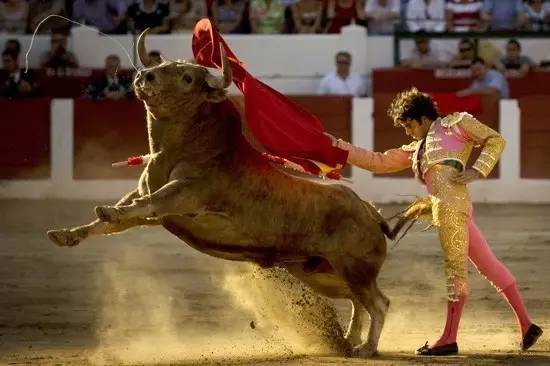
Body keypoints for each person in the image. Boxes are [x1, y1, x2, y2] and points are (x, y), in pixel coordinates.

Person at [325, 87, 543, 356]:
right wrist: (337, 145)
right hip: (448, 208)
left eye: (408, 125)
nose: (407, 132)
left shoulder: (457, 123)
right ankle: (527, 325)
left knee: (455, 272)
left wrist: (477, 170)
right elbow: (377, 161)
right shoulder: (416, 150)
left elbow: (495, 140)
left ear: (422, 118)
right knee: (489, 266)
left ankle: (449, 339)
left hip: (451, 208)